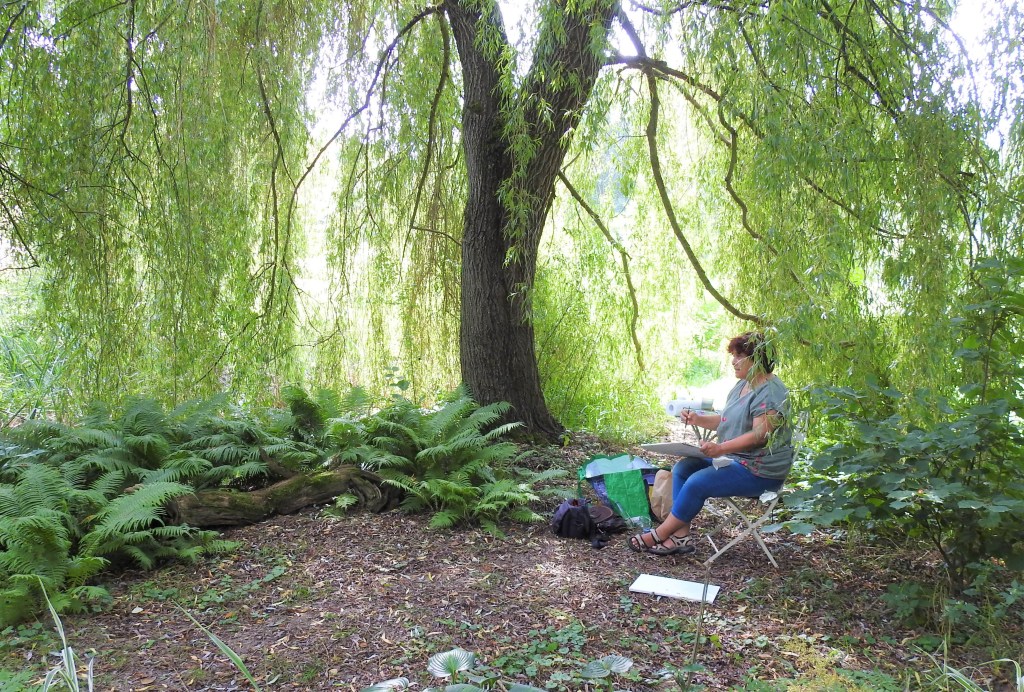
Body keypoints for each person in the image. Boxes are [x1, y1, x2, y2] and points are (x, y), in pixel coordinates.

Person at [629, 331, 794, 556]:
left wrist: (720, 448)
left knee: (698, 482)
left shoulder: (770, 392)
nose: (733, 361)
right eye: (733, 355)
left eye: (739, 356)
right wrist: (698, 419)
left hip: (759, 469)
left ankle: (658, 534)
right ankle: (680, 537)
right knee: (683, 468)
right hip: (736, 459)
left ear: (757, 359)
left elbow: (759, 436)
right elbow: (726, 421)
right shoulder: (743, 385)